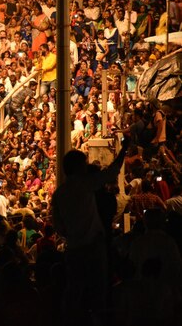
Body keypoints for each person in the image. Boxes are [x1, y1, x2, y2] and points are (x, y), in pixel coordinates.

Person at [52, 138, 129, 325]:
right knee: (98, 289)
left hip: (74, 247)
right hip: (93, 246)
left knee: (74, 290)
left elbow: (58, 225)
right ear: (79, 167)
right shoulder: (86, 184)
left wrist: (72, 234)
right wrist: (124, 149)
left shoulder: (59, 193)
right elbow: (112, 171)